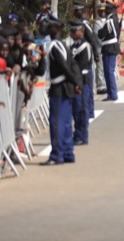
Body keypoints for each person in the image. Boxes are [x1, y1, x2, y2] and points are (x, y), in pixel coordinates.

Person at [40, 19, 81, 166]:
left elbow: (65, 67)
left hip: (59, 88)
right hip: (65, 86)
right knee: (66, 123)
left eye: (49, 26)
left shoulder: (55, 46)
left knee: (57, 123)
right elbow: (72, 65)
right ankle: (68, 153)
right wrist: (75, 82)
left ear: (55, 29)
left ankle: (57, 155)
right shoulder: (61, 44)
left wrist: (75, 82)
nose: (45, 28)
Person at [69, 20, 93, 146]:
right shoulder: (74, 46)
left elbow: (80, 66)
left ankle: (82, 135)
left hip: (82, 81)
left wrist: (76, 82)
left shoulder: (84, 46)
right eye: (71, 31)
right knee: (76, 109)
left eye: (74, 31)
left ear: (81, 31)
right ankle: (78, 133)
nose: (72, 33)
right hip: (75, 80)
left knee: (81, 109)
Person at [96, 3, 119, 101]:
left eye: (105, 10)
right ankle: (111, 94)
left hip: (109, 47)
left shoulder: (109, 21)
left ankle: (112, 94)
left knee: (109, 72)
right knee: (109, 72)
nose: (104, 12)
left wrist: (100, 32)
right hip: (112, 47)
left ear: (109, 10)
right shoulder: (115, 18)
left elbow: (102, 34)